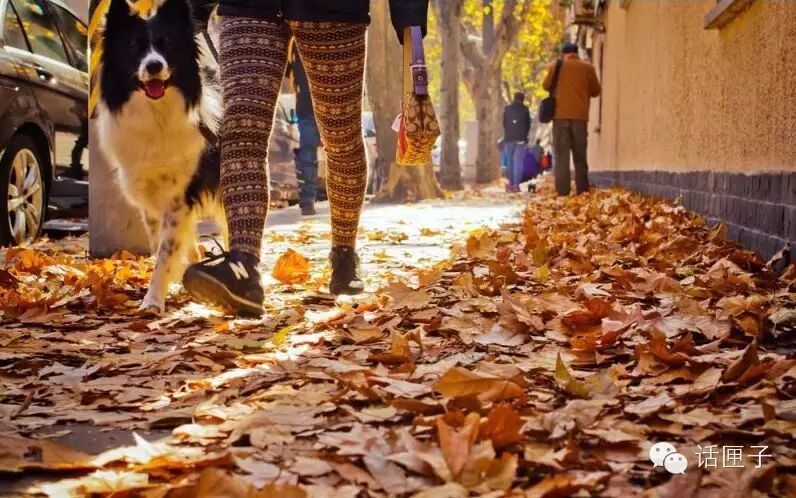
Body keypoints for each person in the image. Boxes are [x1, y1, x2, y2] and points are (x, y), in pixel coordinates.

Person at [183, 0, 429, 316]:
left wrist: (411, 25)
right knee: (242, 128)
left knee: (341, 137)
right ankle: (243, 266)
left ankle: (343, 254)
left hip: (331, 12)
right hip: (248, 8)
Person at [543, 42, 601, 196]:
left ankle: (563, 191)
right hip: (580, 117)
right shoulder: (588, 68)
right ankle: (582, 190)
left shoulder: (555, 66)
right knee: (580, 155)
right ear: (577, 53)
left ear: (563, 54)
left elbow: (546, 85)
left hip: (560, 117)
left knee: (562, 156)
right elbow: (596, 91)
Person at [287, 46, 320, 216]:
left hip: (307, 108)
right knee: (308, 155)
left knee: (308, 155)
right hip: (313, 108)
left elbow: (286, 71)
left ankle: (308, 200)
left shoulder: (293, 47)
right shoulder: (294, 47)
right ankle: (308, 201)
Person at [502, 92, 531, 192]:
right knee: (518, 162)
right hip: (521, 139)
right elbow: (528, 125)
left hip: (509, 139)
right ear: (522, 99)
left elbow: (504, 124)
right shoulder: (525, 109)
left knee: (510, 162)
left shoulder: (507, 109)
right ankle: (516, 185)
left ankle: (510, 184)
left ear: (514, 98)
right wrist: (525, 137)